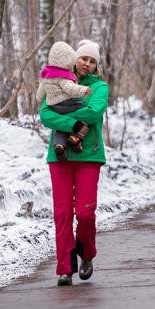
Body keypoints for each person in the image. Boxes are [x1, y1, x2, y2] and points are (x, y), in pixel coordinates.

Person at [40, 40, 108, 287]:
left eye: (92, 61)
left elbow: (94, 112)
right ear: (74, 60)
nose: (87, 65)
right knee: (62, 214)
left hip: (89, 156)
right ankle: (65, 268)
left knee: (86, 213)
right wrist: (72, 125)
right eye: (84, 59)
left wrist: (62, 116)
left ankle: (86, 253)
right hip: (59, 158)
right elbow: (45, 114)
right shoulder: (57, 81)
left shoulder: (100, 87)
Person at [36, 41, 93, 161]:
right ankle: (75, 137)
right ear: (65, 62)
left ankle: (59, 145)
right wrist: (84, 90)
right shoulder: (63, 76)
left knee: (61, 127)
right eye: (70, 63)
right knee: (83, 114)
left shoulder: (47, 74)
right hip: (68, 103)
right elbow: (70, 89)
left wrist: (41, 97)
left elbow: (40, 94)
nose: (72, 66)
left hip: (54, 107)